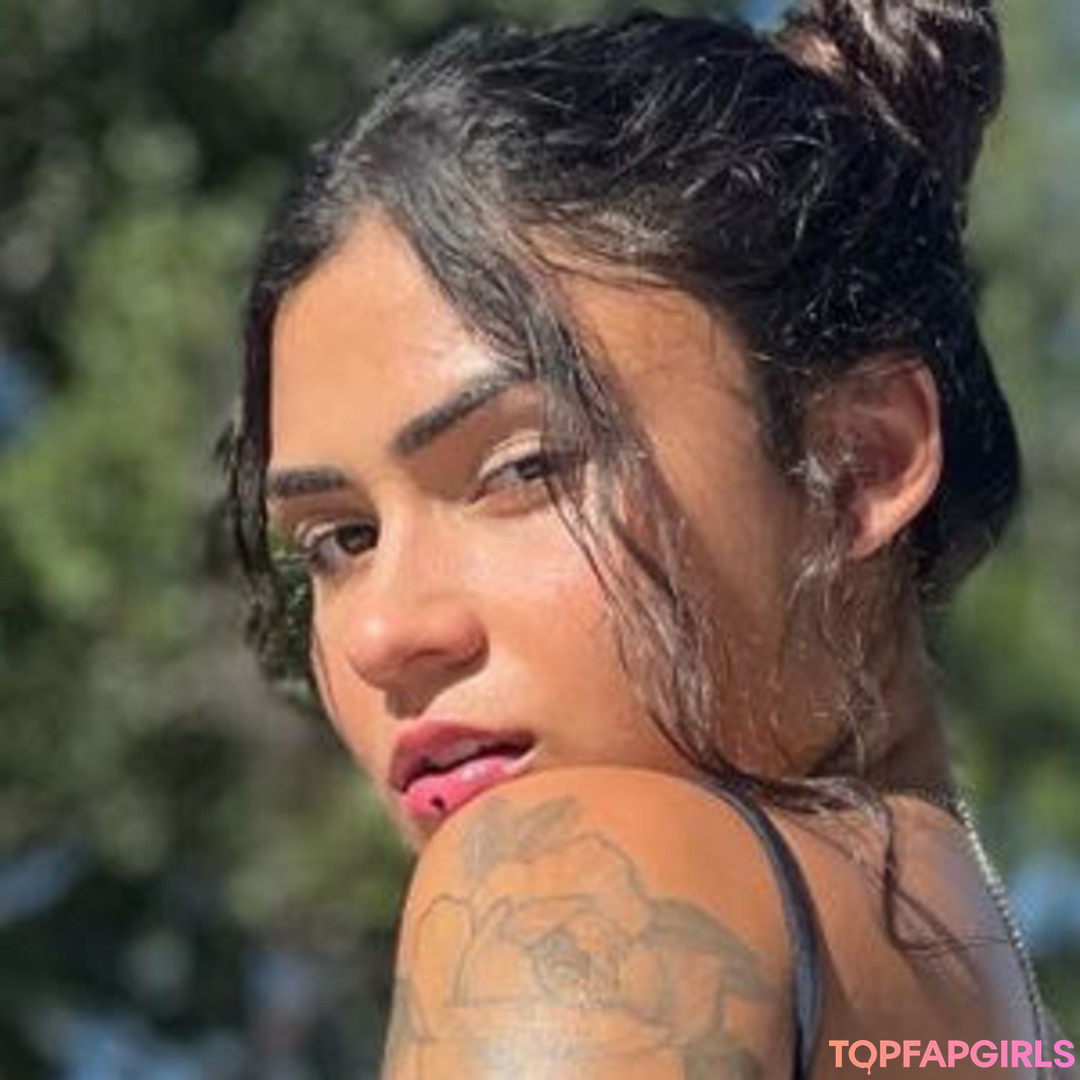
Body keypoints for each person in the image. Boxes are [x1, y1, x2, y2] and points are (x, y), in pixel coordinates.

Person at [222, 0, 1077, 1075]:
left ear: (861, 461)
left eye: (522, 469)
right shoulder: (1002, 1022)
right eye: (340, 540)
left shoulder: (581, 895)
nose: (381, 636)